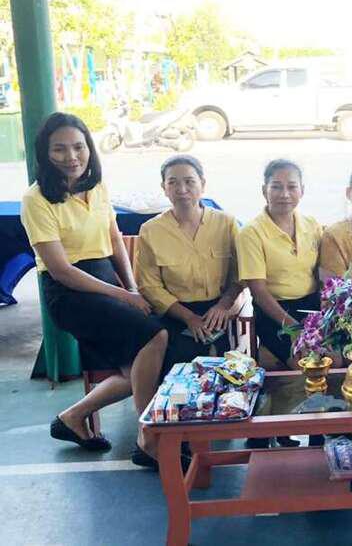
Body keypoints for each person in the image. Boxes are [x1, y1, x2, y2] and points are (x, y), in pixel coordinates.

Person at [20, 113, 167, 465]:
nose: (71, 157)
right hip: (70, 294)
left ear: (89, 148)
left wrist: (132, 286)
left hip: (106, 280)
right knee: (156, 336)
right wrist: (125, 296)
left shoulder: (96, 186)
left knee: (139, 368)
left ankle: (72, 418)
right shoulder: (36, 199)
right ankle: (148, 439)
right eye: (59, 149)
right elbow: (61, 270)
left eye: (78, 147)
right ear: (45, 154)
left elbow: (114, 240)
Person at [135, 155, 244, 376]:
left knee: (228, 370)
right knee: (181, 367)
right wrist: (188, 318)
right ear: (164, 188)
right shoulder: (151, 230)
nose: (182, 189)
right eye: (173, 182)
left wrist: (224, 305)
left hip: (218, 309)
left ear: (202, 184)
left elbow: (241, 274)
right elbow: (149, 286)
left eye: (189, 181)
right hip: (174, 312)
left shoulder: (226, 223)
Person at [236, 159, 327, 370]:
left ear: (302, 190)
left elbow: (321, 274)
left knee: (337, 359)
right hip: (274, 311)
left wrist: (325, 316)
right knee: (307, 364)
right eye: (276, 187)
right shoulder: (251, 233)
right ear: (264, 190)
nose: (284, 194)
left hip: (312, 306)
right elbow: (259, 292)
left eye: (292, 187)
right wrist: (294, 328)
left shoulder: (311, 225)